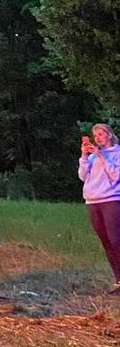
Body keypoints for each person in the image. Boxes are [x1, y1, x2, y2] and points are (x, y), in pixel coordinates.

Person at [79, 123, 120, 294]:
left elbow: (116, 175)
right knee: (106, 242)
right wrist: (84, 156)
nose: (98, 138)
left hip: (111, 200)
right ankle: (118, 280)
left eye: (101, 134)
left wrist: (100, 156)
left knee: (115, 240)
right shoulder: (92, 156)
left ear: (109, 135)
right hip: (92, 200)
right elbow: (83, 176)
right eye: (95, 136)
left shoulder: (116, 153)